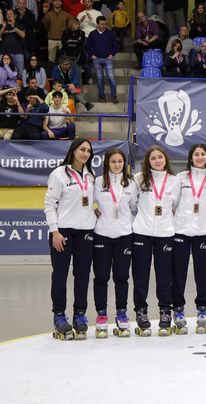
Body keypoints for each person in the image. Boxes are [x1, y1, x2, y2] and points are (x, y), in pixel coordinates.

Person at [45, 139, 96, 340]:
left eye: (89, 151)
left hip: (86, 232)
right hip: (63, 232)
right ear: (73, 150)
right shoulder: (59, 174)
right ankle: (59, 315)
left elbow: (91, 201)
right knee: (60, 274)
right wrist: (54, 231)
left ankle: (79, 314)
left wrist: (95, 211)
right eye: (82, 149)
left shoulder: (91, 175)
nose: (85, 153)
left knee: (82, 275)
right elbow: (50, 204)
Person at [171, 144, 206, 335]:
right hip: (181, 232)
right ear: (191, 158)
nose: (200, 157)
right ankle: (178, 309)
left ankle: (202, 309)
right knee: (179, 274)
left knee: (202, 274)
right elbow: (172, 203)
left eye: (203, 154)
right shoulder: (180, 178)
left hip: (202, 232)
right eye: (196, 154)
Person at [131, 146, 181, 337]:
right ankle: (141, 312)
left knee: (164, 276)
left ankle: (165, 312)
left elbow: (175, 205)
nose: (157, 161)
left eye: (160, 157)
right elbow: (132, 204)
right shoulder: (139, 179)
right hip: (141, 233)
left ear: (165, 159)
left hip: (165, 233)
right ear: (148, 161)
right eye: (153, 158)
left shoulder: (174, 181)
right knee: (141, 276)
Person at [91, 148, 137, 338]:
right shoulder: (98, 182)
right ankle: (101, 314)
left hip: (124, 235)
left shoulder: (131, 184)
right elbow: (88, 203)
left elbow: (134, 206)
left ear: (124, 163)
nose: (117, 165)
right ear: (107, 163)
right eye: (113, 161)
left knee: (122, 277)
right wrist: (94, 211)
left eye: (120, 161)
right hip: (102, 234)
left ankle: (121, 313)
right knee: (101, 277)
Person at [85, 16, 118, 104]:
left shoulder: (110, 33)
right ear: (97, 24)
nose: (104, 26)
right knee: (99, 79)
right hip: (97, 59)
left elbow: (115, 45)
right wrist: (91, 55)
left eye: (105, 24)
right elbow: (88, 46)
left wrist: (112, 54)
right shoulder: (92, 34)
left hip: (108, 59)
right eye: (102, 24)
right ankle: (102, 96)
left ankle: (114, 96)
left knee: (111, 78)